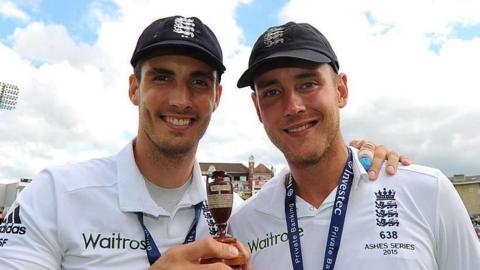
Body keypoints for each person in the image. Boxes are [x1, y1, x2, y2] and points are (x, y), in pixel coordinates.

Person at [0, 16, 405, 270]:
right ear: (133, 88)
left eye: (198, 81)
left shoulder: (244, 219)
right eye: (161, 77)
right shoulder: (54, 194)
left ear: (216, 97)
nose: (180, 98)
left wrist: (361, 159)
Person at [230, 21, 480, 270]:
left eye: (308, 84)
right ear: (257, 108)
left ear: (341, 90)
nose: (293, 106)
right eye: (272, 92)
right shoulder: (243, 224)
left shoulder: (428, 192)